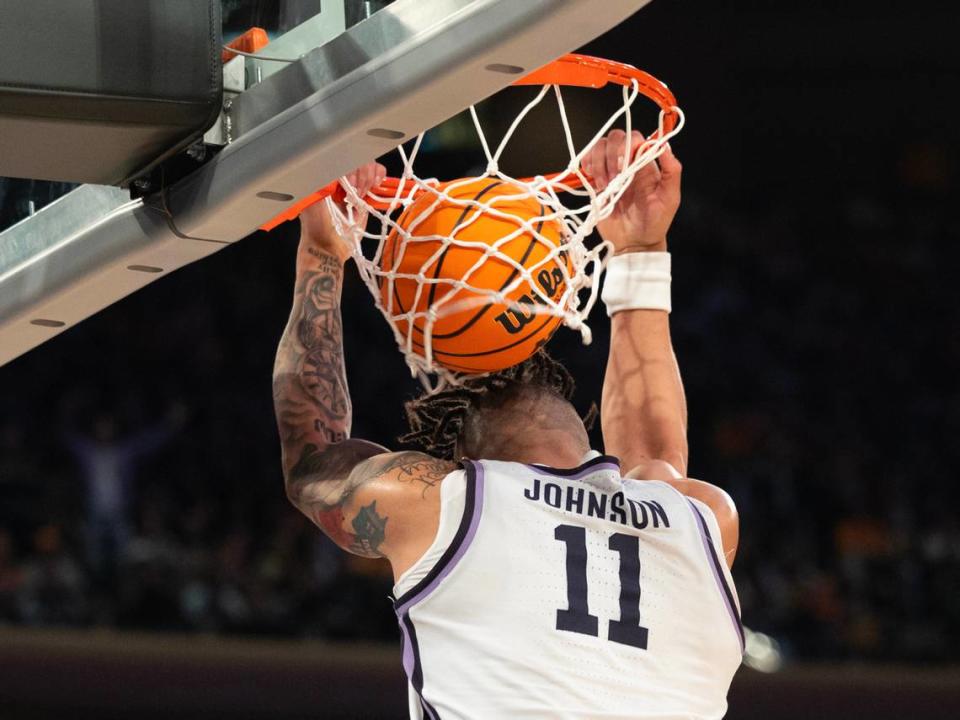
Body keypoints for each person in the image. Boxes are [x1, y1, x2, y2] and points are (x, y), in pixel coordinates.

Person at [273, 131, 742, 718]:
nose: (500, 379)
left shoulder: (441, 506)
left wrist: (320, 254)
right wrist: (639, 250)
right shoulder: (701, 516)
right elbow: (658, 459)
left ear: (460, 454)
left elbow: (313, 460)